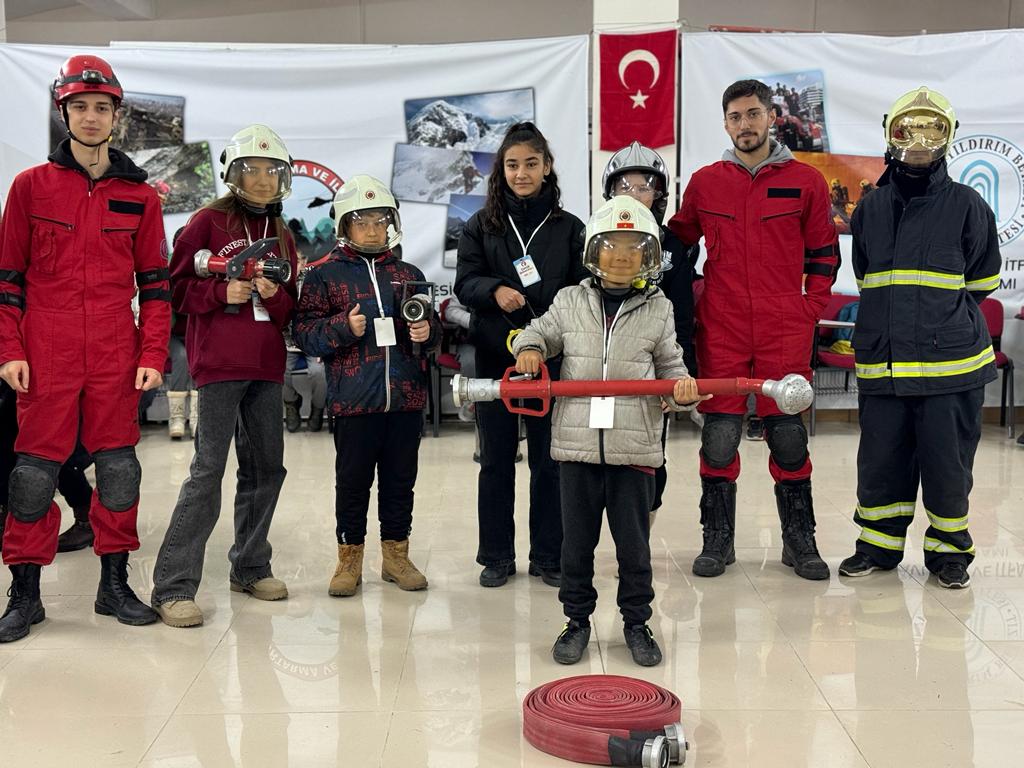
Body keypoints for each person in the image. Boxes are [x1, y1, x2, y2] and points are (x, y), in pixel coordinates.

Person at [0, 55, 171, 643]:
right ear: (64, 112)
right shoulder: (30, 187)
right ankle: (24, 595)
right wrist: (9, 350)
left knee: (120, 471)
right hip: (45, 348)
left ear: (116, 116)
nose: (92, 117)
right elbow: (7, 282)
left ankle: (114, 585)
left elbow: (155, 286)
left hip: (113, 349)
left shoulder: (140, 198)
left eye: (102, 108)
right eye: (81, 107)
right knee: (33, 474)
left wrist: (152, 354)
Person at [513, 195, 707, 666]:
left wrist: (683, 388)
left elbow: (671, 364)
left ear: (649, 256)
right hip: (576, 448)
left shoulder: (658, 308)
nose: (621, 256)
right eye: (611, 245)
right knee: (575, 546)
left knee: (634, 548)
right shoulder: (569, 300)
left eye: (633, 247)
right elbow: (535, 332)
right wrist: (532, 348)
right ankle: (576, 621)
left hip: (633, 449)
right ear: (593, 251)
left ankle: (637, 622)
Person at [668, 79, 839, 582]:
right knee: (719, 436)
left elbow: (826, 254)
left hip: (784, 328)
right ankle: (717, 541)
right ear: (725, 123)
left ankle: (799, 541)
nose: (745, 124)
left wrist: (809, 308)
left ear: (771, 117)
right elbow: (678, 247)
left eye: (754, 114)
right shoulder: (705, 182)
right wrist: (693, 299)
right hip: (721, 328)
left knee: (787, 435)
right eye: (735, 116)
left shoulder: (805, 182)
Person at [838, 87, 1001, 589]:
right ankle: (878, 548)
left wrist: (938, 326)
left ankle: (950, 555)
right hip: (885, 367)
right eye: (909, 130)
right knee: (881, 463)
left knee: (948, 470)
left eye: (933, 130)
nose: (919, 142)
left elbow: (982, 284)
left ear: (948, 139)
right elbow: (868, 277)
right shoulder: (870, 208)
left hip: (950, 370)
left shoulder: (968, 205)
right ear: (890, 133)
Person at [150, 124, 298, 628]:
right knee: (208, 470)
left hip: (266, 367)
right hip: (218, 365)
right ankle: (173, 586)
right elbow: (174, 291)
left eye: (271, 171)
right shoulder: (206, 222)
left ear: (284, 178)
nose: (261, 179)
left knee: (266, 469)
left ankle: (251, 567)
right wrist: (220, 294)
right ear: (233, 173)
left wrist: (276, 298)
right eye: (251, 170)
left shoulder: (283, 233)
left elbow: (290, 309)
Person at [293, 175, 439, 596]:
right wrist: (343, 326)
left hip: (406, 399)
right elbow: (304, 334)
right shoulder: (324, 275)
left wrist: (427, 333)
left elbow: (435, 331)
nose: (373, 230)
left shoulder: (408, 272)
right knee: (352, 484)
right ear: (344, 226)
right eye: (362, 222)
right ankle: (348, 559)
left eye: (380, 221)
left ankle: (396, 557)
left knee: (400, 482)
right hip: (354, 403)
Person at [455, 122, 587, 589]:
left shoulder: (571, 228)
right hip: (496, 359)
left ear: (547, 167)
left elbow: (583, 290)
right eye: (512, 165)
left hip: (551, 360)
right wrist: (494, 290)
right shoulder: (480, 224)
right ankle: (496, 557)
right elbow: (464, 283)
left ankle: (549, 556)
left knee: (549, 463)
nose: (522, 173)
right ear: (501, 171)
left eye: (531, 163)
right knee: (494, 460)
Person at [601, 141, 698, 522]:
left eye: (643, 186)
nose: (634, 195)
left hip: (653, 373)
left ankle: (639, 539)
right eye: (625, 186)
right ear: (610, 192)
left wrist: (676, 376)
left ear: (659, 193)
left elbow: (682, 317)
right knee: (598, 456)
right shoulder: (596, 240)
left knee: (649, 458)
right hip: (603, 370)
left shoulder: (672, 244)